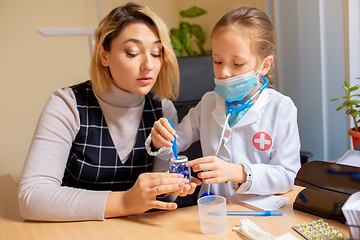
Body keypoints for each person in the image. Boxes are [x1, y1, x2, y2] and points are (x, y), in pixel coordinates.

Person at [18, 2, 200, 222]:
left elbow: (161, 197)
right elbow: (32, 198)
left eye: (156, 53)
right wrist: (124, 202)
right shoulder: (67, 105)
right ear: (104, 54)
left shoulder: (162, 108)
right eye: (132, 53)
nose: (148, 65)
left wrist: (173, 187)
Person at [147, 6, 301, 198]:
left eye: (237, 64)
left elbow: (286, 176)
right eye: (217, 61)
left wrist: (237, 172)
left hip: (259, 214)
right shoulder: (209, 102)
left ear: (265, 65)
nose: (223, 72)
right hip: (212, 210)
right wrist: (159, 140)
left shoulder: (281, 108)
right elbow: (171, 149)